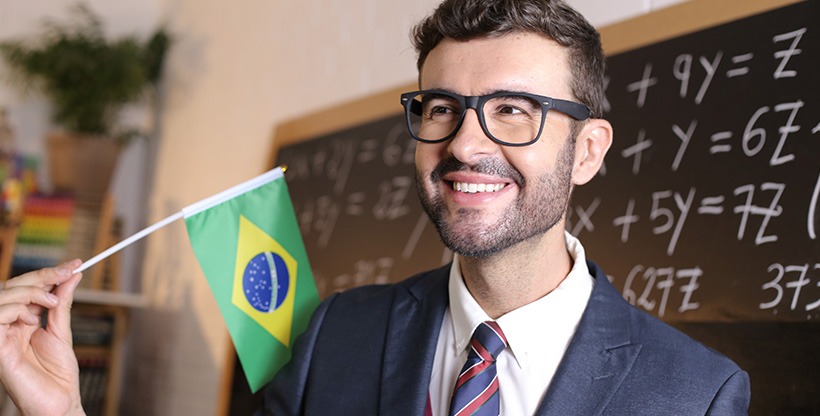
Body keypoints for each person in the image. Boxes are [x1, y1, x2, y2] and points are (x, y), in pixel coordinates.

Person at [0, 0, 750, 415]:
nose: (465, 145)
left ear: (587, 151)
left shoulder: (696, 394)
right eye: (441, 108)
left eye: (514, 111)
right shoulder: (334, 337)